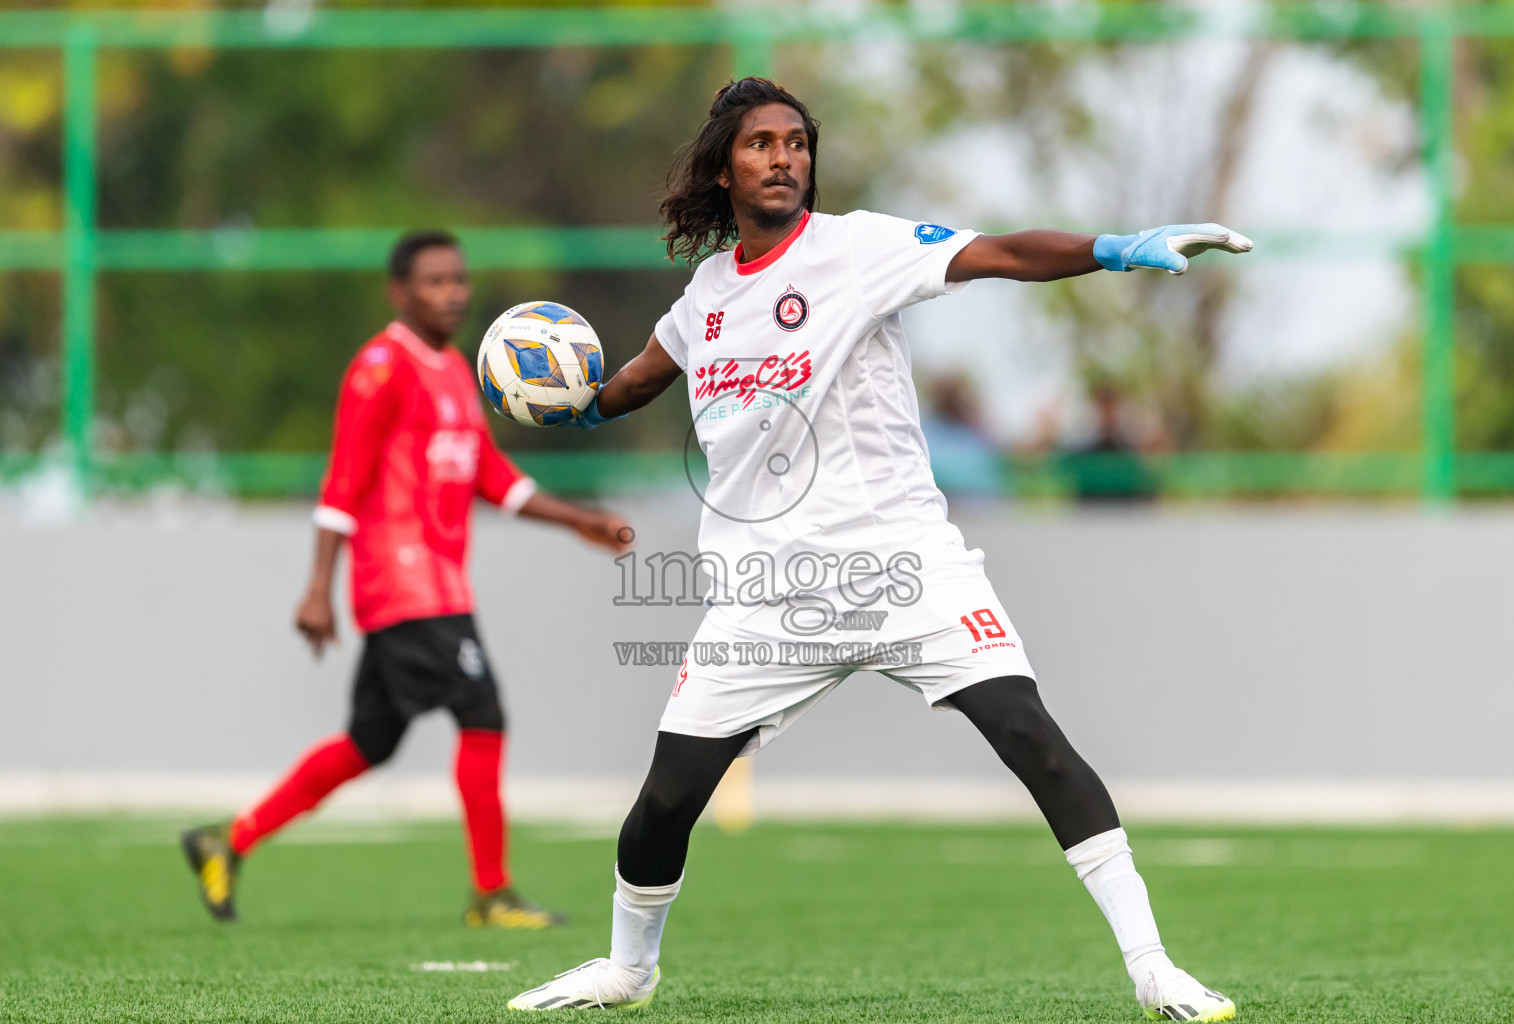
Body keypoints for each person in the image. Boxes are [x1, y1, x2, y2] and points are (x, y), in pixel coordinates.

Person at [506, 79, 1250, 1019]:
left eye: (797, 143)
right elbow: (634, 385)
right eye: (761, 144)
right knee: (665, 802)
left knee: (1033, 738)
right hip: (765, 593)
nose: (784, 158)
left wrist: (1116, 249)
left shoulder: (857, 248)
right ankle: (627, 970)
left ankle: (1154, 969)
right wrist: (569, 400)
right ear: (723, 169)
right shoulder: (704, 298)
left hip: (902, 567)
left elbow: (1002, 253)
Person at [180, 230, 631, 929]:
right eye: (435, 281)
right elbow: (343, 480)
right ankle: (492, 893)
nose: (453, 292)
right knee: (483, 713)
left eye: (459, 279)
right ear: (400, 292)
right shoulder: (381, 367)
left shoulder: (455, 370)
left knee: (369, 743)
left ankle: (226, 840)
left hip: (439, 584)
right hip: (403, 583)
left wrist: (578, 519)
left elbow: (490, 477)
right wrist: (316, 586)